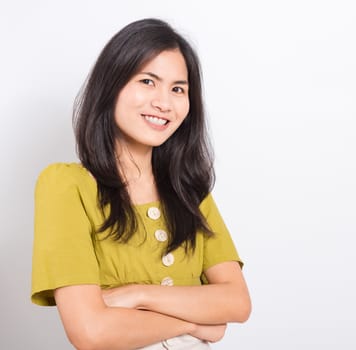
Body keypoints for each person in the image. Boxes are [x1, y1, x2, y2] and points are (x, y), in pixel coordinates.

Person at [31, 18, 251, 350]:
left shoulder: (188, 190)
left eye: (178, 89)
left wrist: (138, 294)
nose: (164, 102)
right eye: (148, 81)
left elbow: (237, 302)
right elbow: (90, 332)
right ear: (112, 85)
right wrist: (196, 322)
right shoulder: (65, 185)